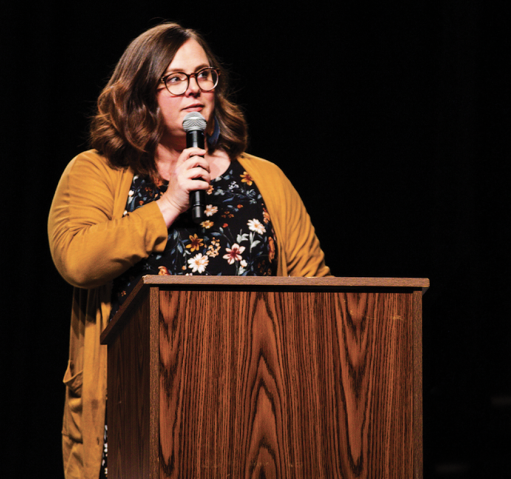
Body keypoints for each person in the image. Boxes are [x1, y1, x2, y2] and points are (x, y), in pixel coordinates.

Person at [48, 23, 330, 479]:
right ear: (141, 94)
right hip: (135, 410)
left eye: (204, 75)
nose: (194, 90)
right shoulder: (97, 171)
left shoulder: (265, 179)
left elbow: (318, 294)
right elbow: (78, 260)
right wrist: (171, 203)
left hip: (250, 411)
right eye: (174, 79)